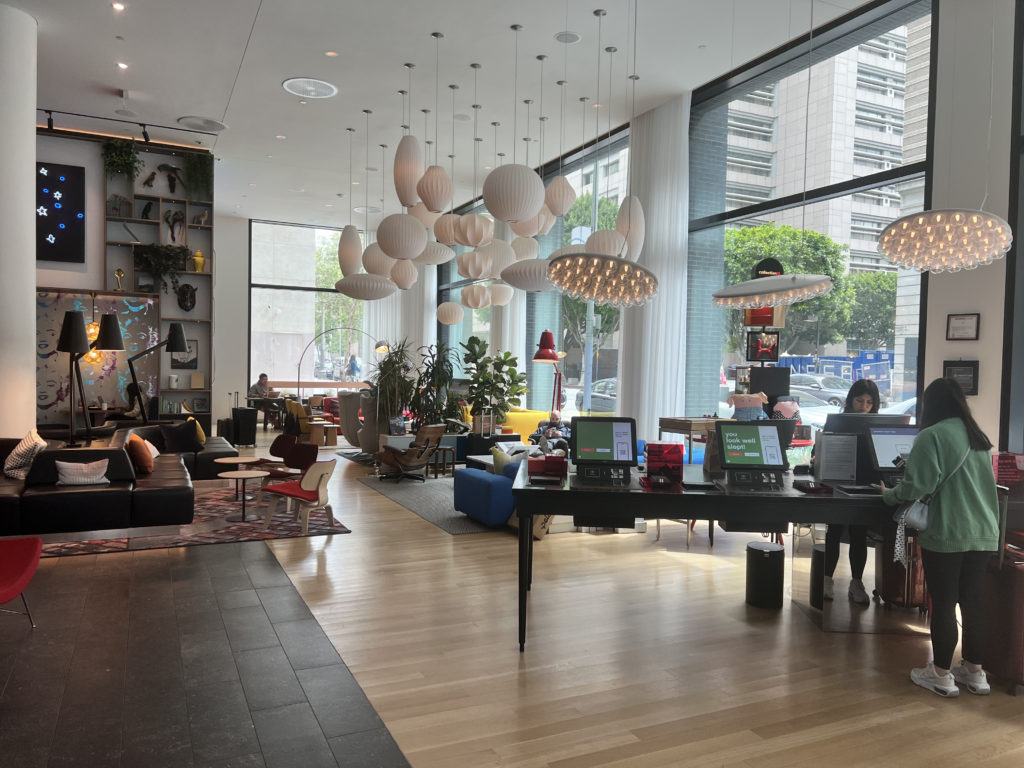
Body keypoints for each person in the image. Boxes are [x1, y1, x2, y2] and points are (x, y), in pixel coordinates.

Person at [880, 377, 999, 698]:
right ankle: (975, 673)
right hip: (984, 531)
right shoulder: (978, 437)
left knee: (944, 604)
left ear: (929, 405)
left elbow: (916, 487)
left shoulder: (931, 436)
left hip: (948, 531)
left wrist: (888, 495)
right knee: (973, 603)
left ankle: (941, 674)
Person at [823, 379, 880, 605]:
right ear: (850, 400)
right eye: (859, 401)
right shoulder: (837, 421)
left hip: (866, 482)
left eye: (869, 402)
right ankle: (826, 579)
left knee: (859, 534)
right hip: (837, 480)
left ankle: (856, 582)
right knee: (833, 531)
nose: (864, 406)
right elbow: (822, 447)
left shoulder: (878, 423)